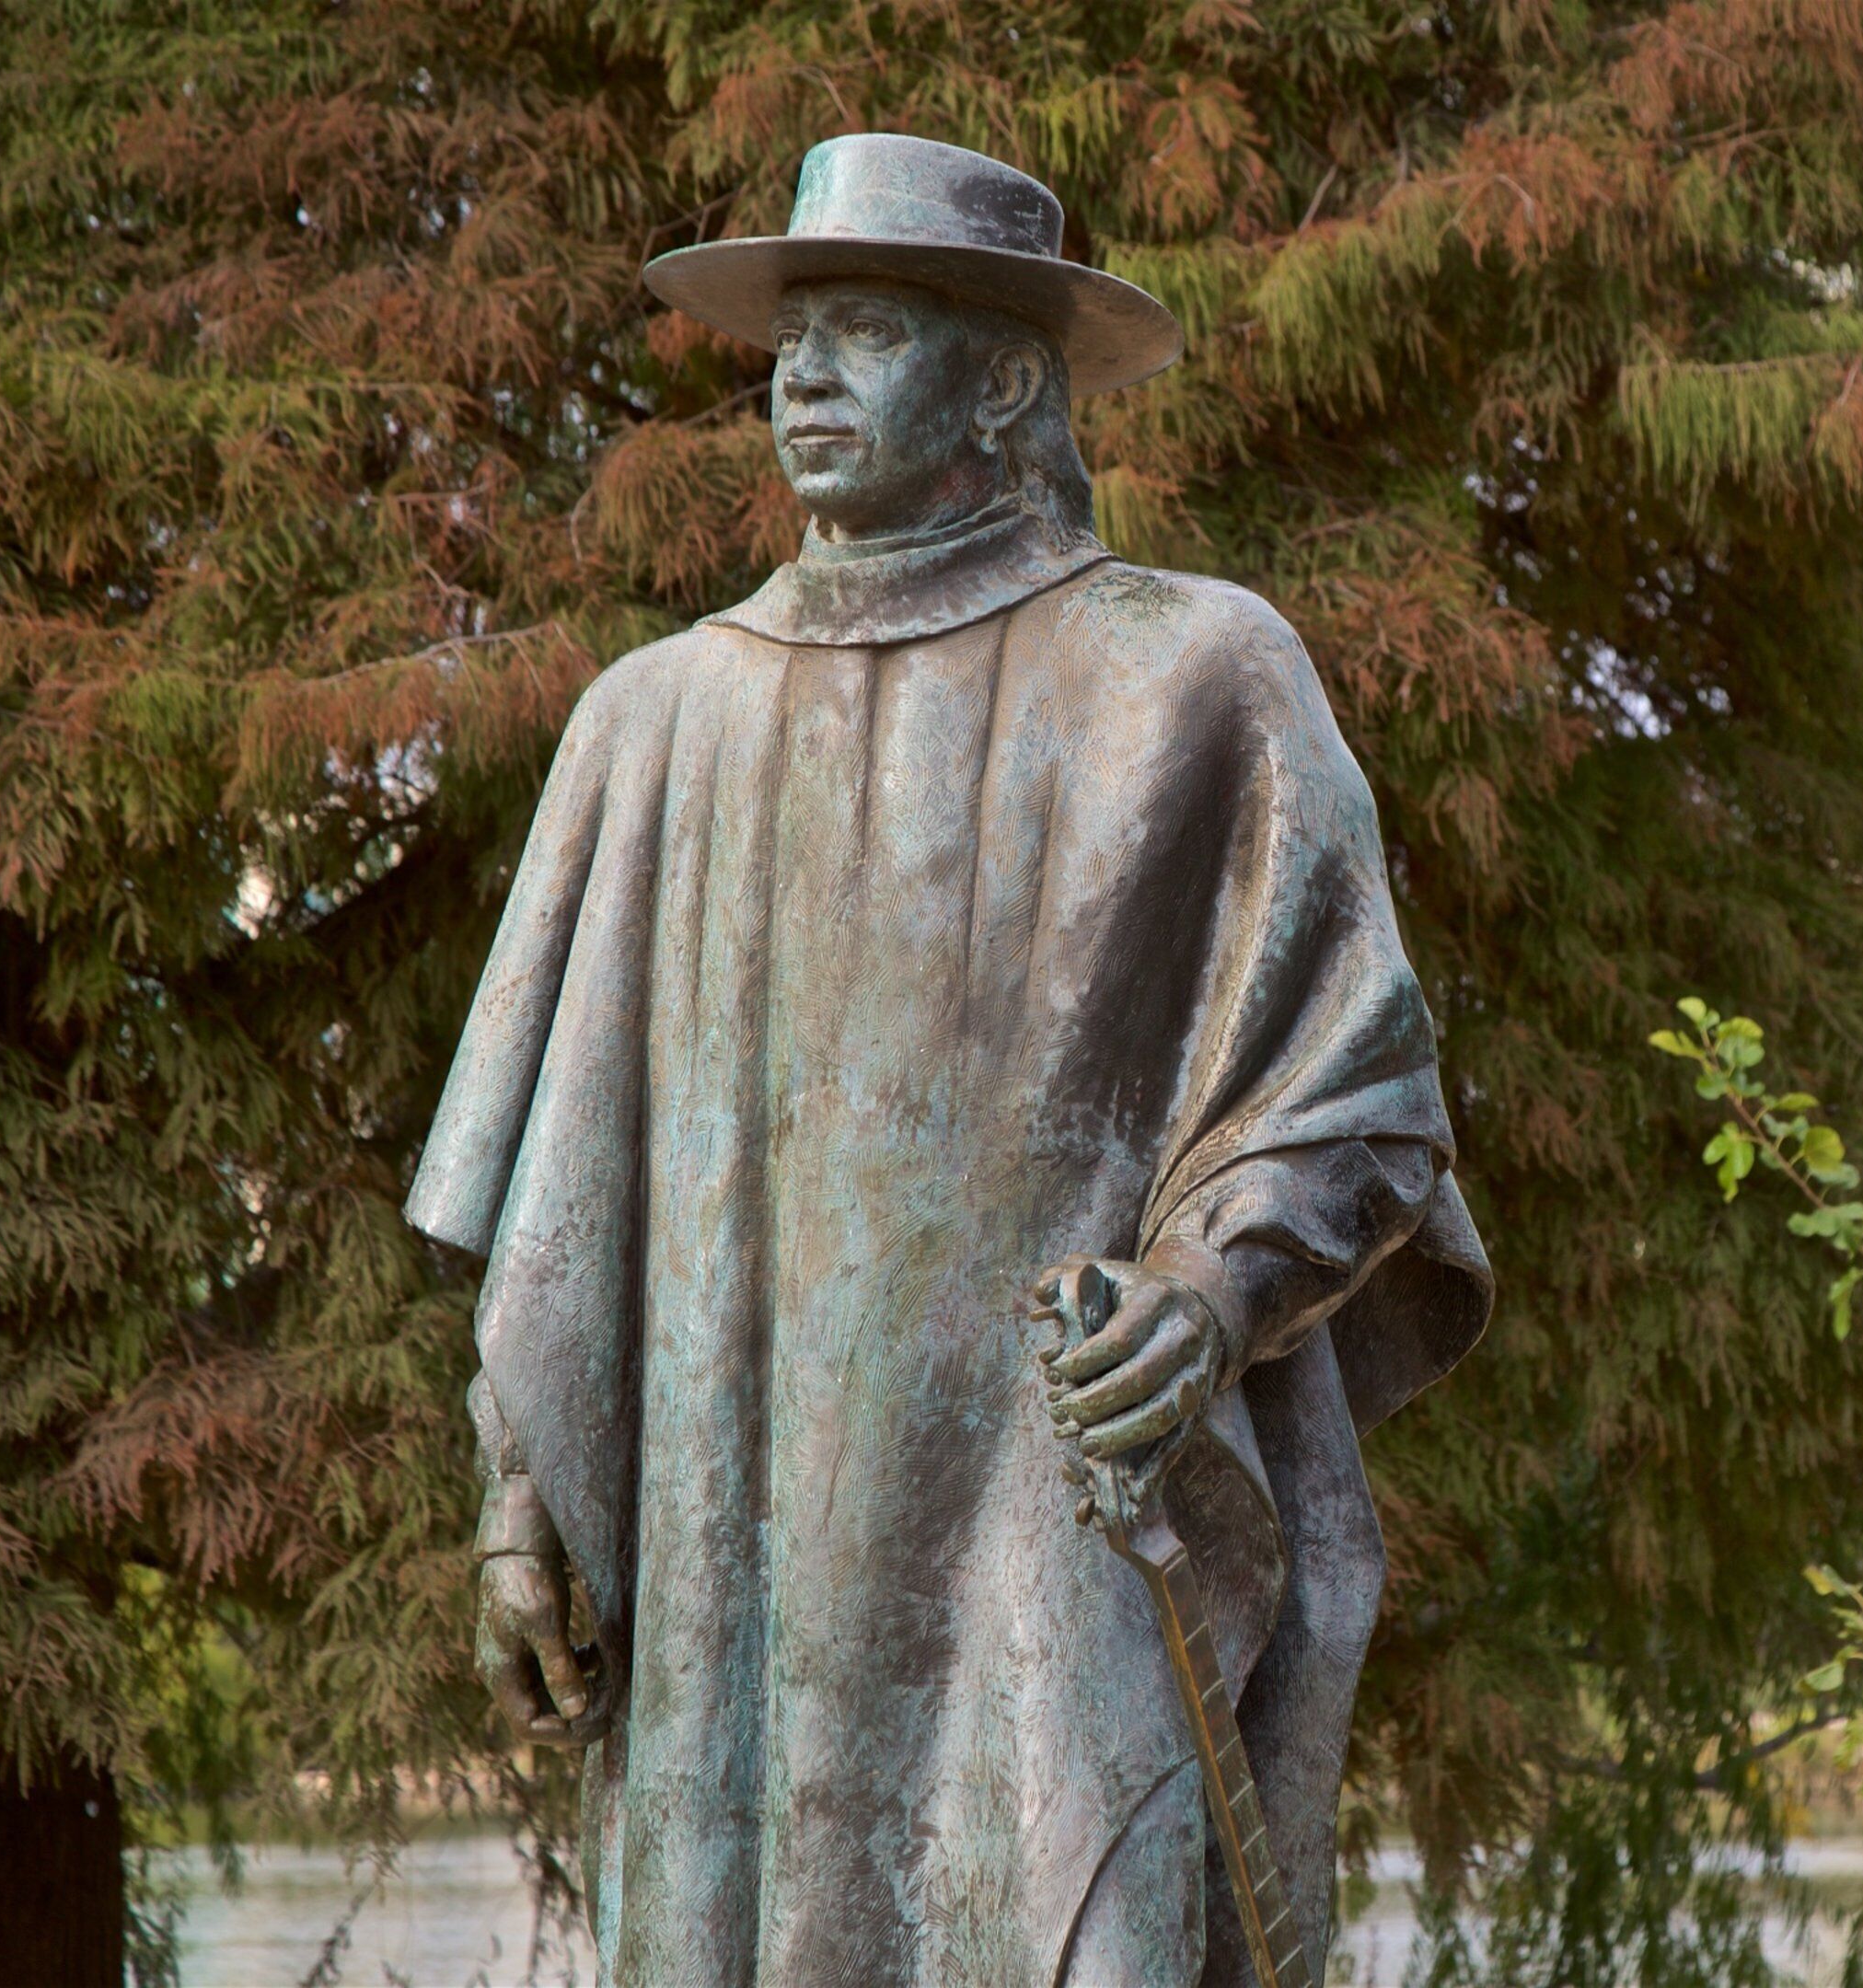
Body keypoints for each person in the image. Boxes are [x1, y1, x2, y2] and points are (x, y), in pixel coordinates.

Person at [411, 133, 1490, 1986]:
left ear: (1004, 379)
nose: (805, 377)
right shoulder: (652, 726)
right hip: (729, 1564)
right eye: (790, 341)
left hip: (1048, 1509)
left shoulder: (1199, 679)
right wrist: (521, 1501)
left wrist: (1209, 1292)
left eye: (867, 330)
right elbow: (561, 1203)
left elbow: (1358, 1093)